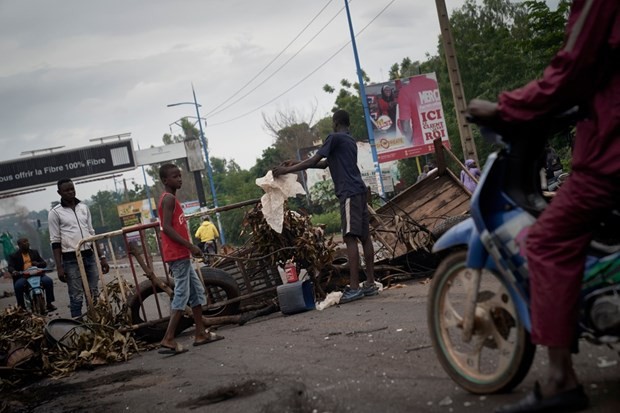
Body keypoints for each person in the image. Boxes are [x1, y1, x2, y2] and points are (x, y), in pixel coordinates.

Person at [468, 1, 620, 412]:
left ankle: (559, 380)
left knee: (548, 242)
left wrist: (504, 108)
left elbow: (571, 70)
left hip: (610, 156)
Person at [272, 109, 379, 304]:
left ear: (335, 122)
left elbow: (314, 160)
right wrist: (296, 163)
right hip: (360, 191)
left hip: (348, 192)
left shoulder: (334, 137)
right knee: (365, 237)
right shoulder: (349, 141)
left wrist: (286, 170)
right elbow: (323, 164)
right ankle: (370, 284)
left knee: (349, 237)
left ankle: (355, 288)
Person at [157, 163, 223, 354]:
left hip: (181, 254)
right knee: (182, 294)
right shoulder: (168, 199)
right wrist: (191, 246)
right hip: (178, 254)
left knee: (196, 292)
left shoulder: (171, 199)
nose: (179, 179)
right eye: (175, 177)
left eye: (180, 176)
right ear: (165, 181)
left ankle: (200, 334)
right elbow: (167, 228)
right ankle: (168, 338)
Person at [49, 178, 110, 318]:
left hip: (89, 255)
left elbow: (91, 233)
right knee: (76, 295)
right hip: (70, 258)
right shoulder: (55, 213)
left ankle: (97, 322)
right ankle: (77, 327)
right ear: (59, 193)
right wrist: (59, 267)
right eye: (66, 190)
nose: (70, 192)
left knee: (94, 291)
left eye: (72, 188)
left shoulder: (84, 207)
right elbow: (55, 241)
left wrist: (102, 257)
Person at [7, 238, 57, 312]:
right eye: (24, 242)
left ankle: (49, 303)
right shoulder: (14, 256)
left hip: (37, 274)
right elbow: (10, 266)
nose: (26, 244)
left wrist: (38, 264)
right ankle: (22, 307)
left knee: (48, 281)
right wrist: (14, 271)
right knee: (18, 286)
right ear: (19, 245)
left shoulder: (34, 252)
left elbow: (44, 263)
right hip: (23, 276)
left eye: (27, 242)